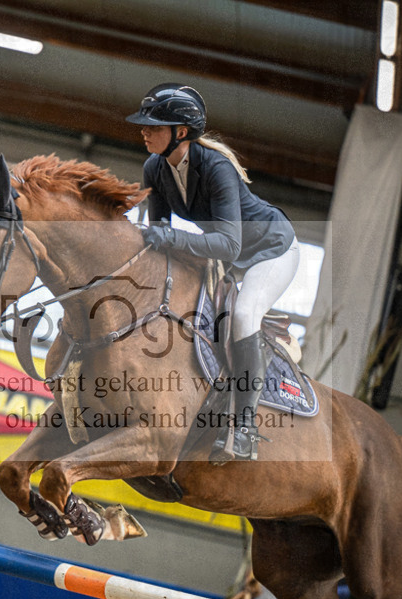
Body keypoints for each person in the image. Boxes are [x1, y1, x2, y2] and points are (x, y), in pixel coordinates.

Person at [126, 83, 300, 460]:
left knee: (243, 314)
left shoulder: (216, 168)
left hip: (271, 249)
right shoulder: (154, 167)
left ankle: (245, 428)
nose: (144, 130)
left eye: (154, 125)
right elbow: (160, 239)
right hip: (230, 257)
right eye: (145, 125)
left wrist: (168, 237)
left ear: (181, 133)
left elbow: (228, 244)